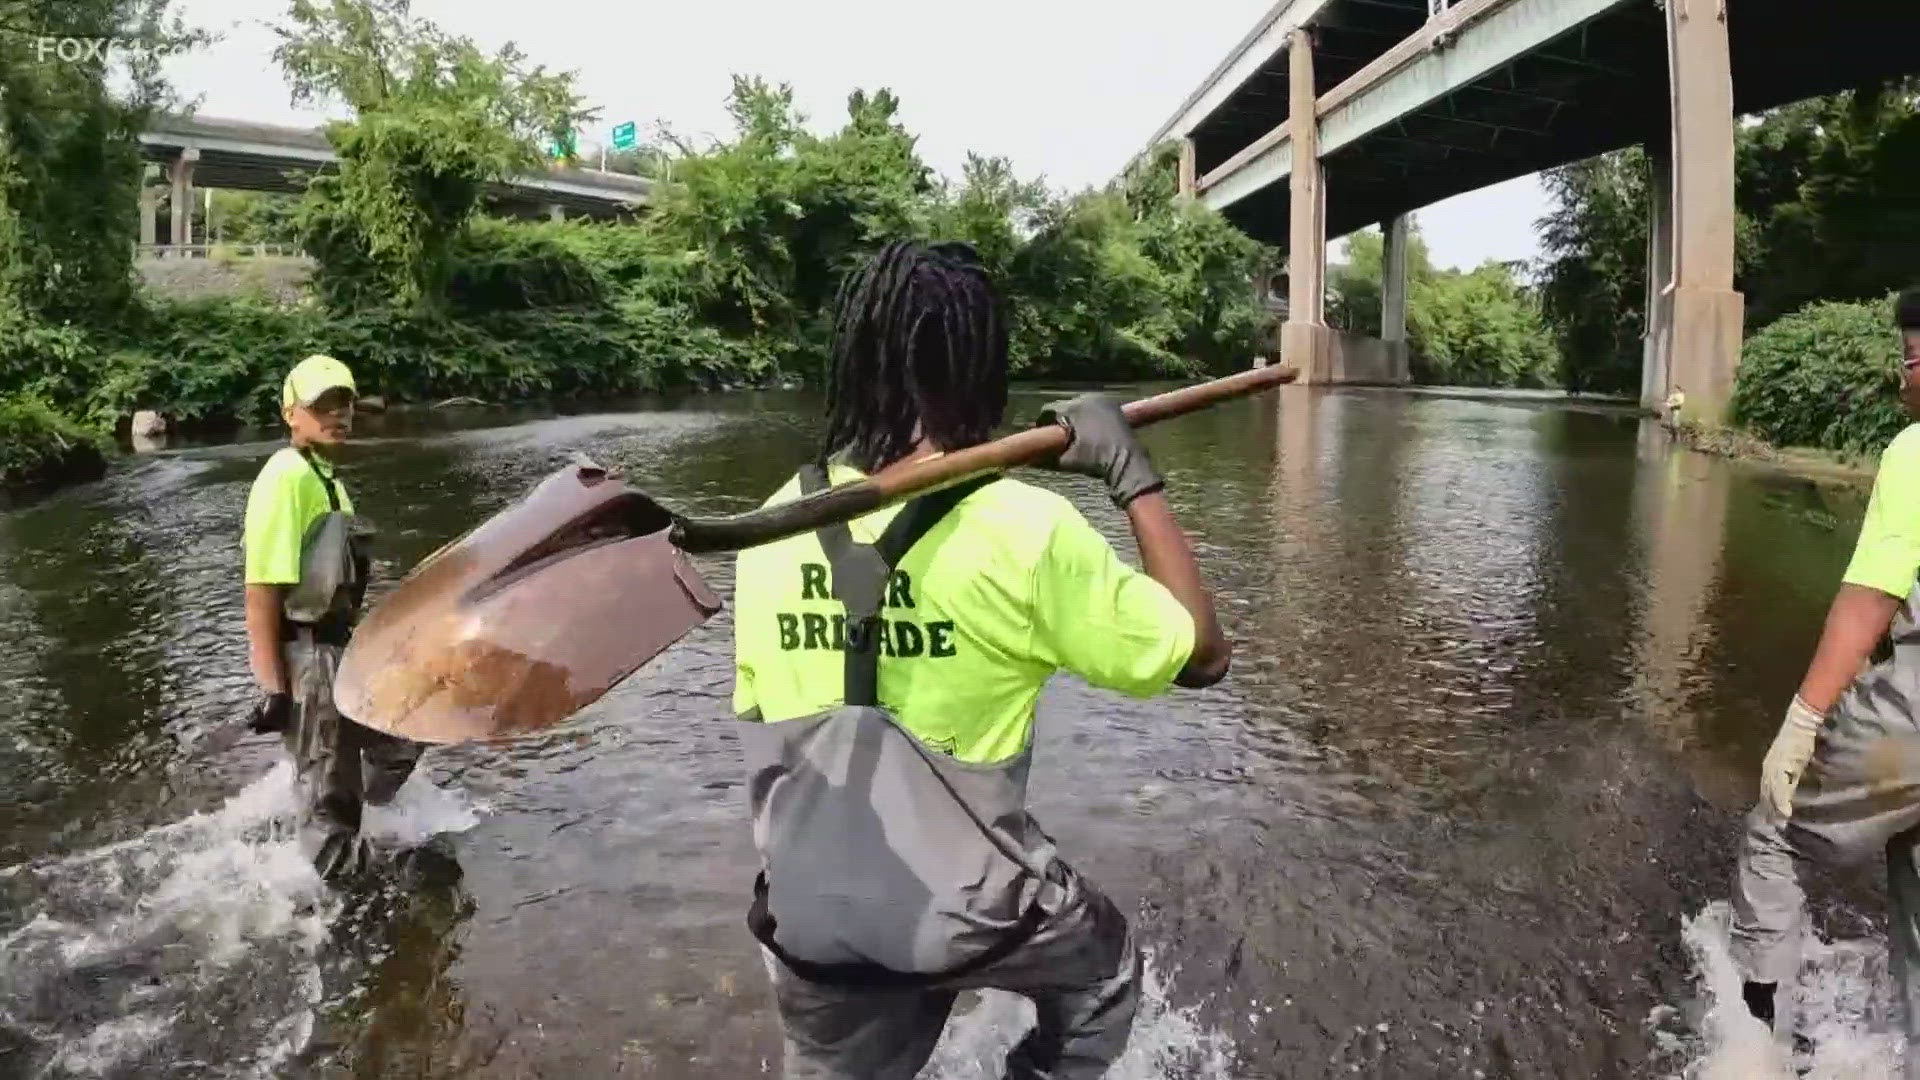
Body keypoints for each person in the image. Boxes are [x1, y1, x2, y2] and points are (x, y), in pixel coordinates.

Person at [729, 239, 1232, 1080]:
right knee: (1105, 972)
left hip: (807, 922)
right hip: (966, 914)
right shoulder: (1026, 530)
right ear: (981, 367)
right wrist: (1130, 473)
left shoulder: (770, 523)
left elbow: (763, 713)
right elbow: (1204, 655)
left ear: (852, 361)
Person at [1732, 287, 1920, 1055]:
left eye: (1911, 356)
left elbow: (1870, 596)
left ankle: (1751, 1043)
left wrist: (1803, 721)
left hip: (1913, 718)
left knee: (1774, 834)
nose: (1903, 375)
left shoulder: (1915, 451)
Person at [242, 353, 422, 881]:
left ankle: (360, 824)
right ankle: (335, 911)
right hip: (310, 659)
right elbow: (260, 589)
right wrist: (274, 688)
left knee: (405, 738)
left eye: (344, 403)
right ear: (290, 413)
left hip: (345, 648)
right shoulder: (285, 477)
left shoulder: (327, 479)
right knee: (330, 807)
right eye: (322, 405)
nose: (338, 414)